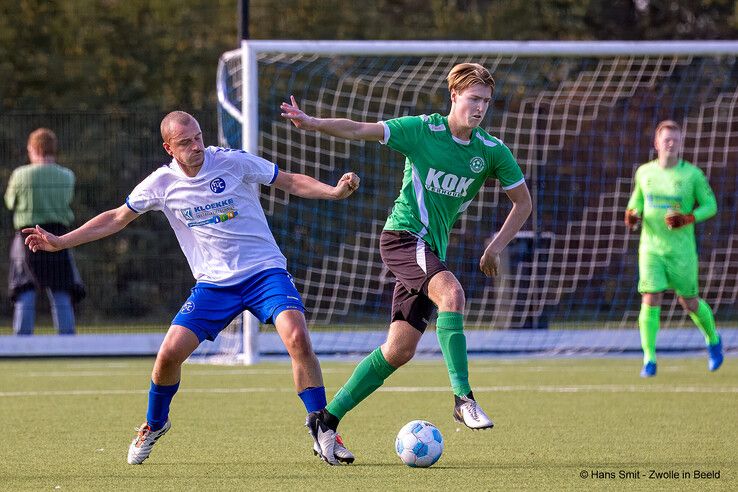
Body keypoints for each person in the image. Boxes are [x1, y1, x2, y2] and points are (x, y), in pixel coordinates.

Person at [23, 111, 360, 465]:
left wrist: (334, 192)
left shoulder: (232, 162)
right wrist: (62, 241)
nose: (196, 146)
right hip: (214, 286)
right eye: (185, 142)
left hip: (264, 272)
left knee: (297, 337)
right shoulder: (160, 184)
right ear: (168, 148)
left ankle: (323, 429)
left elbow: (289, 180)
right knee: (168, 356)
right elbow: (116, 218)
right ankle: (155, 424)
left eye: (198, 137)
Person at [281, 63, 532, 464]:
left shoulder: (490, 151)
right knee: (452, 292)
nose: (480, 107)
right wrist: (312, 123)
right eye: (473, 99)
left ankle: (325, 422)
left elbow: (523, 204)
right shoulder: (422, 130)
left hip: (429, 249)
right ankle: (463, 398)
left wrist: (494, 247)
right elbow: (360, 129)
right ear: (454, 97)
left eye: (486, 100)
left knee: (398, 350)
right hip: (402, 237)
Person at [625, 120, 723, 377]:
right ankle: (649, 359)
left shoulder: (692, 175)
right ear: (656, 143)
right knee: (650, 296)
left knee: (689, 302)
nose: (670, 143)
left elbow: (710, 205)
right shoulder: (645, 173)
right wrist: (632, 216)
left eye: (675, 140)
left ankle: (713, 340)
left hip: (681, 251)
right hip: (651, 248)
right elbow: (635, 204)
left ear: (680, 144)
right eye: (666, 139)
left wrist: (688, 218)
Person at [5, 128, 85, 335]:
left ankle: (21, 343)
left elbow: (10, 202)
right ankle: (67, 342)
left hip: (26, 236)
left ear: (33, 148)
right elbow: (67, 201)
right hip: (57, 236)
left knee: (25, 288)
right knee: (61, 288)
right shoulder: (67, 175)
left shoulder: (20, 175)